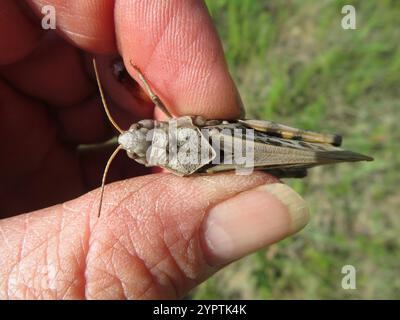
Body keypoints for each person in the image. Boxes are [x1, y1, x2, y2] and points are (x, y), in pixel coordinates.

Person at [0, 0, 309, 299]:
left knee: (271, 140)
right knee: (264, 156)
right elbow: (161, 102)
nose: (133, 138)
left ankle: (309, 154)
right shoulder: (172, 126)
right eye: (135, 147)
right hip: (223, 152)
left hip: (229, 142)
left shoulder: (172, 164)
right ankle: (305, 157)